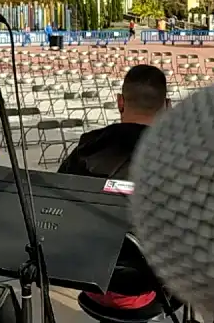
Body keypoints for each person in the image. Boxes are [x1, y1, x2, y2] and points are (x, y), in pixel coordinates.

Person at [58, 65, 169, 310]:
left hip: (92, 278)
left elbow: (58, 209)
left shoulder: (87, 148)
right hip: (151, 286)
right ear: (167, 105)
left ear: (120, 101)